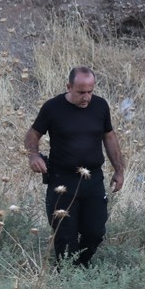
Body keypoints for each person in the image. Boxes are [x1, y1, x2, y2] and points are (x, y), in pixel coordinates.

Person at [25, 66, 126, 268]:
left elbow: (109, 136)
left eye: (90, 91)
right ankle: (67, 277)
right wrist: (34, 156)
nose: (86, 97)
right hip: (62, 180)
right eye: (81, 92)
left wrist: (119, 169)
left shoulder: (100, 106)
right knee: (65, 235)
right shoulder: (52, 108)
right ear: (69, 87)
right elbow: (33, 134)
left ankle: (82, 266)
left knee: (95, 231)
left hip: (93, 179)